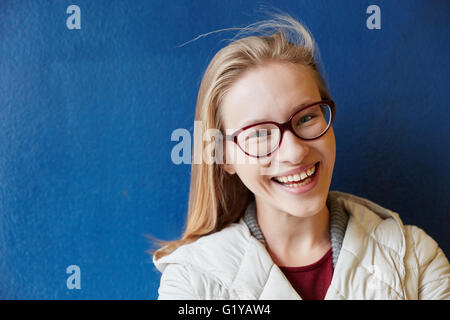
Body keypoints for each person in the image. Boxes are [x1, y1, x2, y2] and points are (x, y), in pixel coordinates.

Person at [151, 13, 450, 300]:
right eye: (259, 134)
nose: (294, 151)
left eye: (306, 118)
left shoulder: (416, 259)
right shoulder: (192, 280)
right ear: (224, 156)